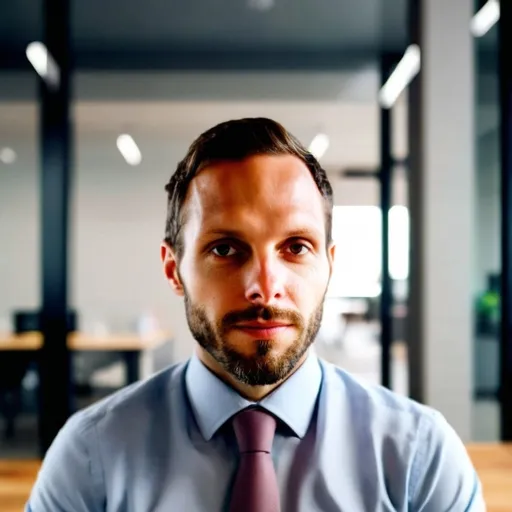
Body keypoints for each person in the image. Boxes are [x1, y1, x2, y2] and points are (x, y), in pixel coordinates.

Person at [26, 118, 484, 511]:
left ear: (330, 265)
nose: (265, 287)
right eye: (225, 249)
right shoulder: (90, 456)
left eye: (296, 247)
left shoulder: (419, 458)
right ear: (174, 270)